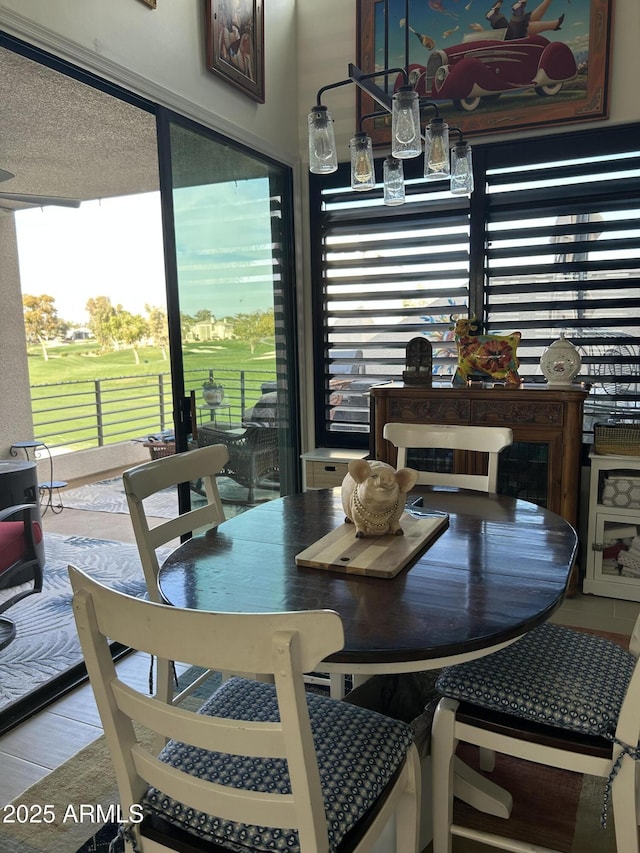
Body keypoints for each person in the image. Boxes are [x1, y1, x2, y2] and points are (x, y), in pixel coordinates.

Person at [471, 0, 565, 40]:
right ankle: (516, 10)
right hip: (506, 44)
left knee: (516, 31)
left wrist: (482, 32)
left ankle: (495, 15)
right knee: (516, 31)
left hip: (506, 40)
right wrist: (482, 32)